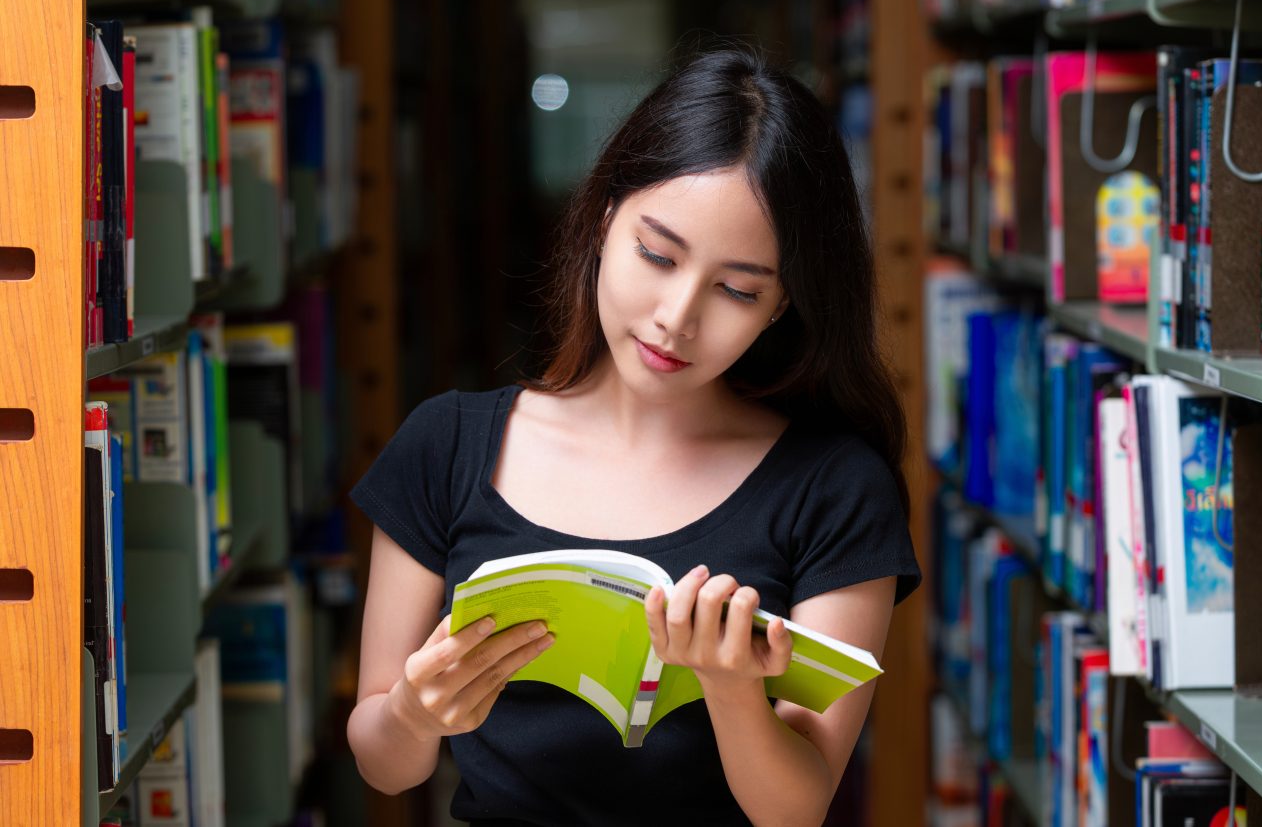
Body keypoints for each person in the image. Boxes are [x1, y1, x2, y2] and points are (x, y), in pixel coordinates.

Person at [345, 46, 921, 826]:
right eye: (657, 253)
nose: (676, 317)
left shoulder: (835, 487)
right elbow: (383, 765)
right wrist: (415, 711)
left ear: (783, 305)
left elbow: (795, 809)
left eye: (737, 289)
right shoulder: (444, 445)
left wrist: (731, 688)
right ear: (605, 217)